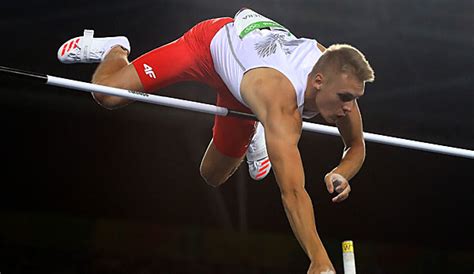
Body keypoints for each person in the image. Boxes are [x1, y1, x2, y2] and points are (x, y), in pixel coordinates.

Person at [57, 8, 374, 273]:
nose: (349, 107)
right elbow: (292, 191)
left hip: (247, 87)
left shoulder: (340, 82)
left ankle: (256, 123)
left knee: (212, 174)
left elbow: (356, 146)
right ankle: (115, 49)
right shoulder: (281, 104)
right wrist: (319, 259)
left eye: (354, 99)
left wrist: (341, 173)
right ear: (318, 82)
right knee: (107, 94)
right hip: (207, 46)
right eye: (345, 98)